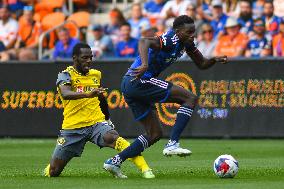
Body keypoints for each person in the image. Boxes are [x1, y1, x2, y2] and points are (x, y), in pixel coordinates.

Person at [103, 15, 227, 176]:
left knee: (154, 134)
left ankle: (114, 162)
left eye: (193, 32)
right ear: (177, 31)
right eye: (188, 32)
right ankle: (172, 144)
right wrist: (145, 64)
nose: (192, 35)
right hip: (138, 80)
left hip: (132, 85)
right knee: (190, 98)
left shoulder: (186, 43)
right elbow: (143, 41)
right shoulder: (171, 39)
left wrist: (214, 60)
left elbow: (202, 64)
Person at [44, 43, 155, 179]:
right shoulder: (65, 75)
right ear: (75, 58)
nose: (89, 61)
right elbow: (66, 94)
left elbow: (101, 98)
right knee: (53, 172)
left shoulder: (96, 74)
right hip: (72, 128)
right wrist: (88, 94)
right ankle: (50, 166)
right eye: (85, 58)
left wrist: (107, 119)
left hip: (96, 123)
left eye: (91, 57)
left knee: (113, 137)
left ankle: (145, 169)